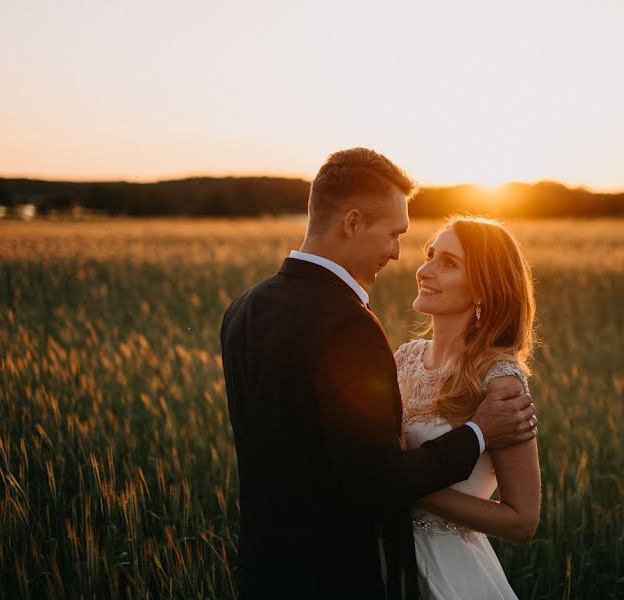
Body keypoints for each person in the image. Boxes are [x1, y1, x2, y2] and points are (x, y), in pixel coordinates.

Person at [219, 148, 538, 599]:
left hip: (267, 570)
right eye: (395, 234)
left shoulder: (242, 311)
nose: (400, 256)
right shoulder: (353, 327)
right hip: (338, 575)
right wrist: (478, 433)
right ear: (351, 223)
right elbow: (375, 479)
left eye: (446, 261)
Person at [394, 216, 541, 598]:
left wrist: (407, 486)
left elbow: (522, 521)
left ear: (483, 290)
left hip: (451, 573)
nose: (425, 271)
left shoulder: (499, 380)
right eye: (430, 255)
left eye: (449, 263)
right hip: (388, 562)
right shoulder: (403, 359)